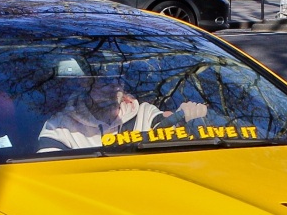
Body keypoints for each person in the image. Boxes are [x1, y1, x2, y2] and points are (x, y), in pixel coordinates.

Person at [37, 59, 208, 151]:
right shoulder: (60, 128)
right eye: (104, 79)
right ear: (84, 82)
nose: (115, 85)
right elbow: (46, 178)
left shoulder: (144, 114)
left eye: (119, 77)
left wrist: (182, 119)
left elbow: (163, 125)